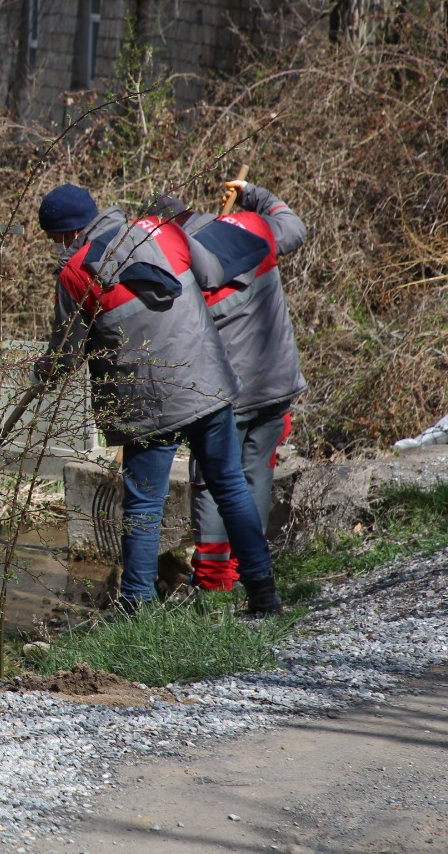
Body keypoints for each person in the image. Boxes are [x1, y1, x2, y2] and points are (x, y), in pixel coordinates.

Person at [34, 183, 283, 615]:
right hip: (207, 383)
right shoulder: (163, 230)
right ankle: (264, 596)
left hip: (147, 402)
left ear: (63, 234)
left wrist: (41, 374)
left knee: (145, 502)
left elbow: (66, 356)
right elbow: (210, 275)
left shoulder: (75, 271)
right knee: (230, 486)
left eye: (54, 239)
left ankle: (136, 608)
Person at [146, 182, 307, 592]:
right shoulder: (250, 226)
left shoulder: (176, 262)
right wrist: (253, 193)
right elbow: (294, 227)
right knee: (256, 477)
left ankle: (215, 578)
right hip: (277, 382)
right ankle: (249, 567)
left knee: (213, 482)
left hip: (225, 393)